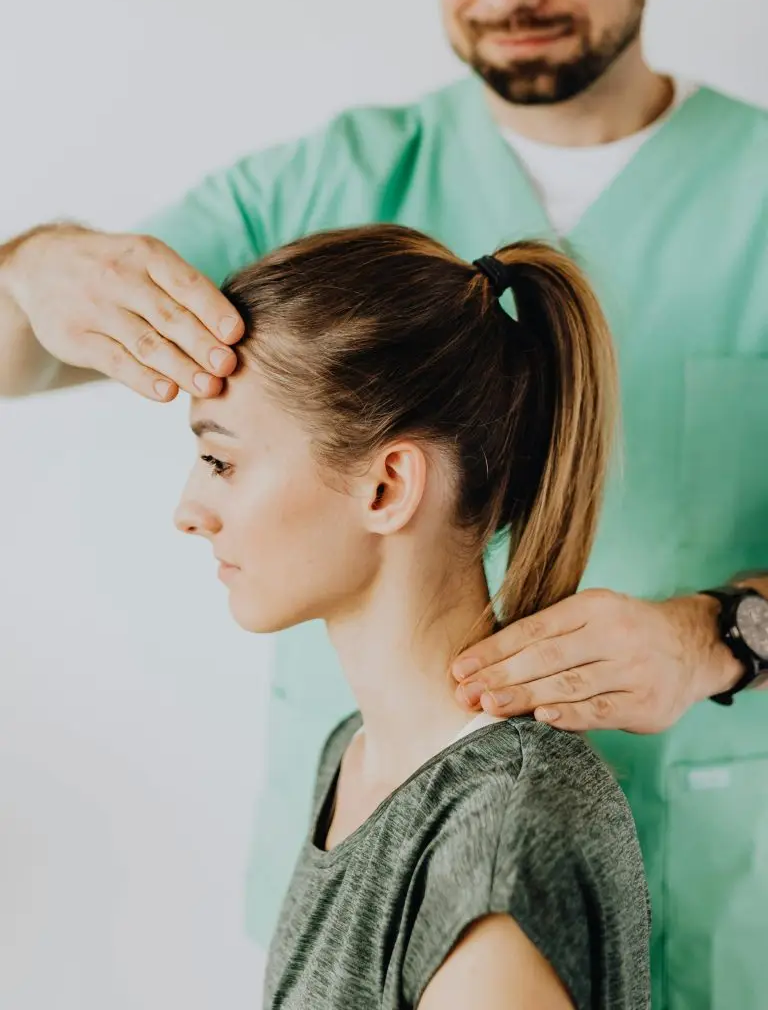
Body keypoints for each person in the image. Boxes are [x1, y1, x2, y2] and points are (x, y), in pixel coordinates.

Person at [0, 0, 766, 1005]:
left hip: (687, 886)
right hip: (372, 860)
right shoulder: (323, 181)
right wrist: (31, 268)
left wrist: (724, 633)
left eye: (220, 462)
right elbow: (28, 346)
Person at [174, 222, 650, 1009]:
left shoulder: (496, 845)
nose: (188, 511)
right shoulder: (356, 757)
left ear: (388, 488)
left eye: (220, 460)